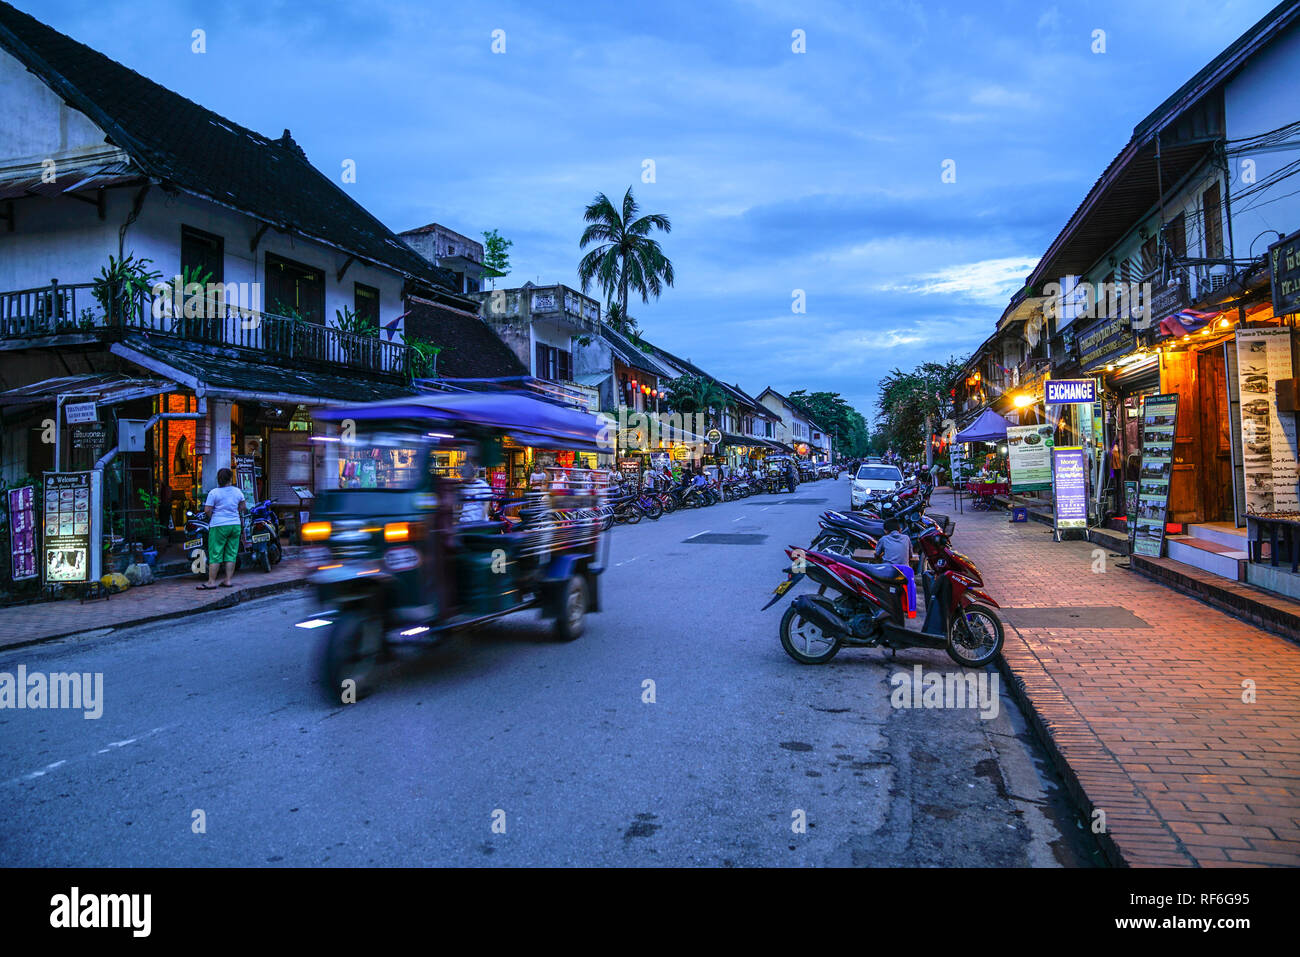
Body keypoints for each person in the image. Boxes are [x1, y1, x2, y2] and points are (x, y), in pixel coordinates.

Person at [198, 467, 246, 590]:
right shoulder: (237, 491)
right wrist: (233, 511)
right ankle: (228, 580)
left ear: (218, 480)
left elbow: (207, 510)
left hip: (218, 525)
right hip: (234, 524)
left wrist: (213, 516)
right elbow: (243, 506)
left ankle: (211, 582)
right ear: (230, 478)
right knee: (231, 553)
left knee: (216, 553)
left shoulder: (214, 493)